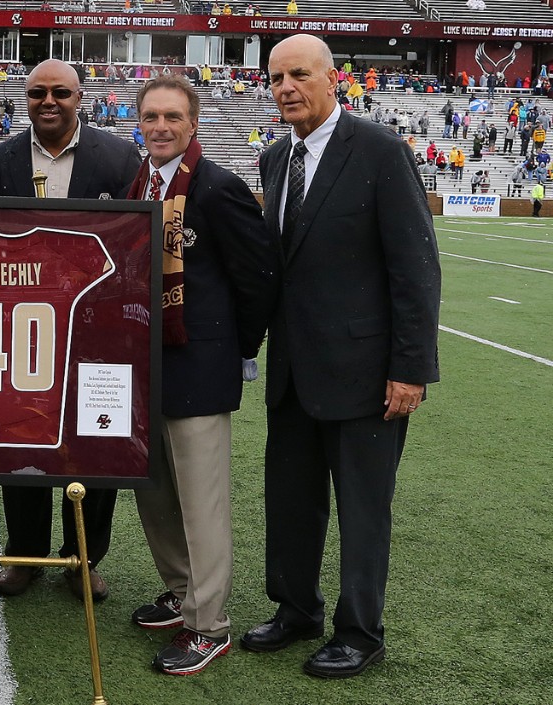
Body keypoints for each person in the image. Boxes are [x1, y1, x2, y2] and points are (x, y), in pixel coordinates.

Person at [243, 34, 441, 679]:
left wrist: (410, 368)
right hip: (294, 370)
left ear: (334, 80)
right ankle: (295, 608)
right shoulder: (275, 157)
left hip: (366, 375)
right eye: (276, 78)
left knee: (362, 509)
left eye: (299, 75)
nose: (285, 88)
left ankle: (360, 630)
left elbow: (416, 269)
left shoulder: (381, 152)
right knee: (291, 500)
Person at [120, 74, 279, 676]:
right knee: (155, 493)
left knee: (201, 504)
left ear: (193, 125)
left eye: (173, 117)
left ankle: (208, 623)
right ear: (138, 121)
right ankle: (180, 590)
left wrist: (239, 348)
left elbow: (258, 279)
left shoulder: (217, 188)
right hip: (145, 364)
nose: (161, 126)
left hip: (199, 364)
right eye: (151, 116)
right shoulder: (136, 185)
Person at [0, 58, 141, 603]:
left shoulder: (120, 156)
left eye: (60, 93)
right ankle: (26, 553)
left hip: (97, 326)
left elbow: (132, 242)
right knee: (20, 435)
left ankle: (82, 557)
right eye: (36, 93)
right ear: (24, 100)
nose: (48, 102)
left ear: (82, 97)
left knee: (96, 440)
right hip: (19, 327)